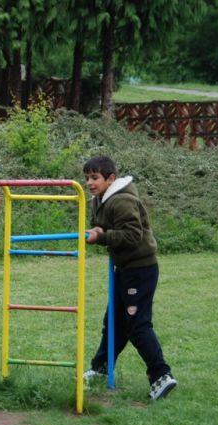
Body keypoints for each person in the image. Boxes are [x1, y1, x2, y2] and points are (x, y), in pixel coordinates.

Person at [81, 155, 177, 400]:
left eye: (95, 177)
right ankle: (101, 368)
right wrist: (99, 230)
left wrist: (101, 237)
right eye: (87, 178)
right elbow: (102, 225)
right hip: (124, 269)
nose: (89, 183)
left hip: (140, 269)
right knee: (114, 321)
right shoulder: (99, 199)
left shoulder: (122, 200)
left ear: (110, 178)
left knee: (137, 325)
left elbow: (133, 235)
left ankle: (161, 375)